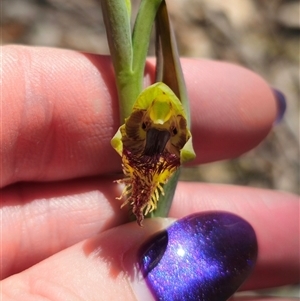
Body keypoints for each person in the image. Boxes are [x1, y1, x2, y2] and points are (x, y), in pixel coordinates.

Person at [1, 45, 298, 300]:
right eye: (150, 123)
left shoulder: (169, 133)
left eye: (167, 125)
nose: (158, 126)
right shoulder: (142, 132)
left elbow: (181, 149)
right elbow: (127, 141)